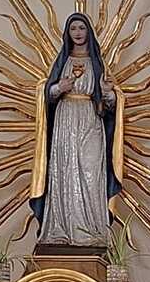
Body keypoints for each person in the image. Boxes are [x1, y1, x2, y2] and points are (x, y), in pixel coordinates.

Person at [31, 13, 121, 248]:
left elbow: (110, 105)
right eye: (73, 28)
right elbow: (46, 96)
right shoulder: (62, 61)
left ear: (88, 31)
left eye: (82, 28)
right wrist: (58, 88)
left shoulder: (98, 63)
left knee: (91, 172)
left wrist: (108, 93)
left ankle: (91, 231)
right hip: (65, 121)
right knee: (65, 171)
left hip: (91, 119)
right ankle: (62, 230)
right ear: (68, 33)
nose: (78, 32)